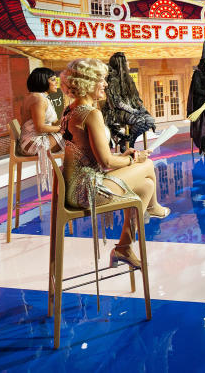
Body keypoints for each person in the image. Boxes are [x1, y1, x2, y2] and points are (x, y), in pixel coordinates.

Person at [61, 58, 169, 269]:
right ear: (87, 83)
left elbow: (93, 154)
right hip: (86, 190)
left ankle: (124, 247)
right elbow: (106, 161)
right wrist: (132, 159)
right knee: (147, 165)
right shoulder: (92, 114)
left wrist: (126, 157)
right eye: (101, 79)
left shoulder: (69, 111)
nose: (106, 84)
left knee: (146, 185)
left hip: (72, 186)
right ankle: (153, 208)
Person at [19, 67, 65, 194]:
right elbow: (40, 128)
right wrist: (62, 129)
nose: (56, 83)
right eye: (53, 80)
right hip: (33, 143)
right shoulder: (38, 99)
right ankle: (67, 183)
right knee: (74, 138)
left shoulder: (37, 96)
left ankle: (66, 181)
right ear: (43, 81)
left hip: (32, 141)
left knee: (73, 138)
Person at [102, 52, 156, 149]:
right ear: (121, 63)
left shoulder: (129, 79)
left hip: (130, 110)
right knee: (140, 121)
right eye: (126, 61)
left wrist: (144, 110)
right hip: (116, 112)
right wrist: (134, 111)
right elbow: (117, 102)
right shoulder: (112, 79)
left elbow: (136, 98)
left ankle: (127, 140)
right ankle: (129, 143)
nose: (128, 63)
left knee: (150, 120)